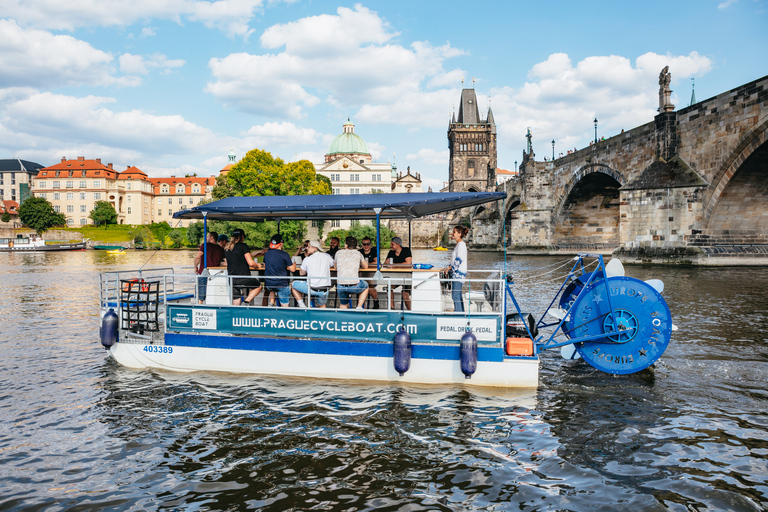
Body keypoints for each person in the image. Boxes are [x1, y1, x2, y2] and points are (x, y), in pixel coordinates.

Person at [224, 228, 262, 306]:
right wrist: (257, 265)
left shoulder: (227, 248)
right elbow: (251, 263)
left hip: (231, 279)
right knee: (259, 286)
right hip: (244, 278)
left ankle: (235, 315)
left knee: (236, 300)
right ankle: (246, 302)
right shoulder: (243, 246)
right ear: (242, 236)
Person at [291, 240, 333, 308]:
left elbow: (302, 273)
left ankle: (302, 305)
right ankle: (323, 317)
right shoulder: (327, 256)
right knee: (322, 305)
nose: (307, 248)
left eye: (308, 247)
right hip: (324, 290)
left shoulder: (307, 259)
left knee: (293, 284)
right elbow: (332, 265)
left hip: (311, 289)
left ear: (314, 248)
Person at [334, 236, 369, 309]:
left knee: (343, 304)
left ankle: (342, 319)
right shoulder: (358, 253)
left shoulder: (338, 253)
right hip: (354, 286)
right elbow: (365, 266)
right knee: (366, 286)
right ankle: (359, 307)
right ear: (355, 246)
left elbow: (335, 268)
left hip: (340, 285)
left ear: (346, 245)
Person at [263, 233, 296, 307]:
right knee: (284, 303)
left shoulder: (267, 254)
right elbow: (293, 270)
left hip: (269, 283)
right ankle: (284, 312)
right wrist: (294, 264)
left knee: (273, 288)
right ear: (281, 243)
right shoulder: (284, 254)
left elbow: (265, 266)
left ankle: (271, 303)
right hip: (281, 284)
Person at [194, 231, 226, 304]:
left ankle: (199, 307)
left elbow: (197, 257)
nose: (206, 238)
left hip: (204, 271)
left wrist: (195, 267)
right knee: (213, 292)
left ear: (211, 238)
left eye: (207, 236)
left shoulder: (204, 245)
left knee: (201, 293)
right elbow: (226, 262)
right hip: (216, 274)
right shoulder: (220, 249)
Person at [384, 236, 413, 309]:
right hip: (395, 276)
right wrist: (386, 263)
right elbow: (385, 264)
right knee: (389, 287)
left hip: (406, 277)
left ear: (398, 245)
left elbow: (409, 264)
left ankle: (410, 311)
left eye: (392, 244)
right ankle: (392, 308)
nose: (391, 246)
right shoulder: (391, 252)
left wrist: (394, 265)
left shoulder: (406, 250)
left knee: (405, 295)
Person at [449, 225, 469, 312]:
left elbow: (458, 260)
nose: (452, 234)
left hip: (458, 274)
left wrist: (450, 268)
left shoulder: (461, 245)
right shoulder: (459, 245)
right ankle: (461, 313)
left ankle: (458, 315)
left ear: (459, 234)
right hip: (456, 273)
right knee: (458, 295)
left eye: (454, 232)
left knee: (455, 295)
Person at [359, 236, 380, 308]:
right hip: (361, 274)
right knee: (360, 287)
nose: (366, 246)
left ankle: (376, 301)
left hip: (371, 274)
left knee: (370, 286)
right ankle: (362, 307)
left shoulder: (374, 251)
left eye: (368, 244)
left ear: (371, 244)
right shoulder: (359, 252)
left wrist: (365, 265)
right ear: (362, 245)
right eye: (364, 244)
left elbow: (377, 262)